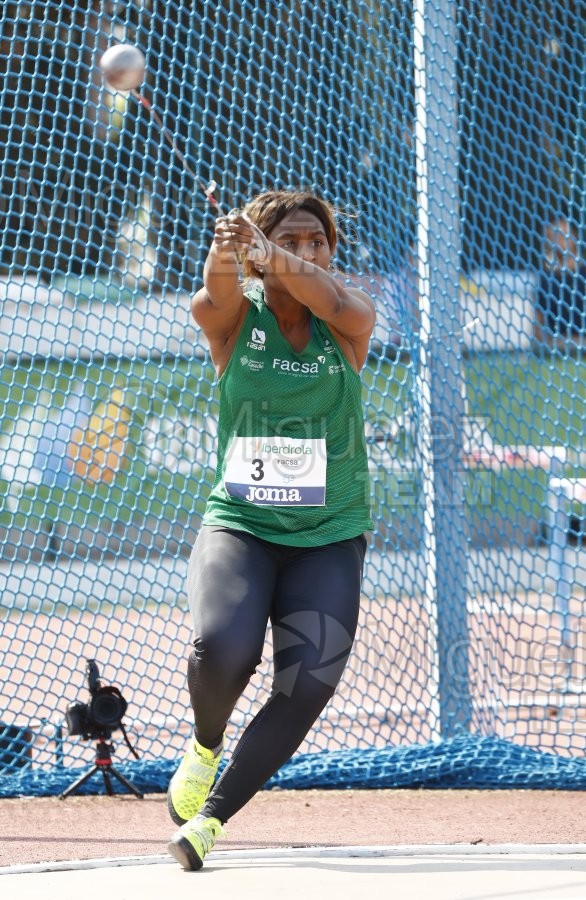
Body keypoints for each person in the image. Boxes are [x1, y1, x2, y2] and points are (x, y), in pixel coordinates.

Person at [166, 189, 375, 871]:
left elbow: (330, 296)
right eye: (294, 238)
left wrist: (275, 254)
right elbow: (214, 288)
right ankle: (204, 746)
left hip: (329, 533)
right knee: (225, 649)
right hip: (243, 526)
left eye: (319, 240)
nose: (310, 250)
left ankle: (210, 820)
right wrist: (229, 251)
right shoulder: (228, 318)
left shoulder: (349, 319)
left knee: (310, 680)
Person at [533, 215, 586, 350]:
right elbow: (539, 319)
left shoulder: (583, 273)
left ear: (573, 237)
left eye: (564, 235)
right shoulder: (546, 279)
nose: (561, 240)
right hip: (557, 344)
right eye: (556, 236)